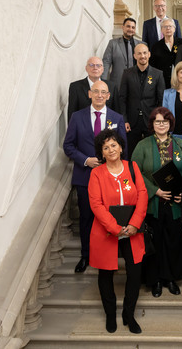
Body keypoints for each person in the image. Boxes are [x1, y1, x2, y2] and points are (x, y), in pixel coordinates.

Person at [63, 80, 127, 273]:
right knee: (86, 218)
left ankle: (109, 254)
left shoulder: (117, 117)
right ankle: (85, 255)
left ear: (109, 96)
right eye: (96, 91)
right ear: (89, 94)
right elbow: (68, 146)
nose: (100, 95)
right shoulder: (77, 117)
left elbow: (123, 149)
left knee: (109, 218)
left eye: (104, 92)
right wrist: (86, 160)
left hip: (111, 178)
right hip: (85, 176)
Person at [88, 128, 148, 334]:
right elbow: (96, 205)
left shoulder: (132, 167)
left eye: (114, 145)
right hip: (106, 232)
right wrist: (115, 228)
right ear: (101, 153)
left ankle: (128, 314)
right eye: (106, 147)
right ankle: (110, 314)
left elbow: (142, 195)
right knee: (105, 274)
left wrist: (134, 224)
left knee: (135, 273)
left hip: (133, 231)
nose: (111, 149)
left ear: (121, 147)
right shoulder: (96, 173)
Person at [131, 107, 182, 298]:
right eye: (157, 121)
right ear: (152, 124)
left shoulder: (180, 144)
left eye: (165, 121)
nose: (161, 124)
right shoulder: (143, 145)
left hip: (175, 203)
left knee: (173, 241)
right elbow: (135, 172)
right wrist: (154, 190)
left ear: (170, 123)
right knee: (155, 242)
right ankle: (155, 280)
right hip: (153, 203)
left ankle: (170, 278)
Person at [118, 43, 165, 158]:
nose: (142, 56)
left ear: (149, 54)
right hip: (132, 122)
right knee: (132, 154)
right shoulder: (127, 73)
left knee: (152, 153)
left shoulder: (158, 74)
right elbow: (122, 98)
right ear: (134, 56)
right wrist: (124, 120)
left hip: (150, 120)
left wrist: (157, 120)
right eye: (139, 53)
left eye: (144, 53)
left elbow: (161, 99)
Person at [67, 57, 118, 122]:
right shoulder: (75, 87)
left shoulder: (112, 87)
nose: (95, 68)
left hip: (107, 128)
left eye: (98, 65)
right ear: (86, 68)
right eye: (91, 65)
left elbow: (116, 112)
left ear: (102, 69)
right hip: (83, 128)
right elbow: (72, 113)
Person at [102, 17, 141, 88]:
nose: (130, 29)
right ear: (123, 27)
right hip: (117, 84)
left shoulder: (142, 45)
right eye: (128, 26)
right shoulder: (113, 43)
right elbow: (106, 63)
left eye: (133, 27)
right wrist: (103, 82)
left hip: (137, 84)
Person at [149, 18, 182, 88]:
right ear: (161, 30)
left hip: (181, 81)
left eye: (170, 26)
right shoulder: (156, 46)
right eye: (165, 27)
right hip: (163, 82)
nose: (168, 28)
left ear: (174, 29)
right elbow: (153, 66)